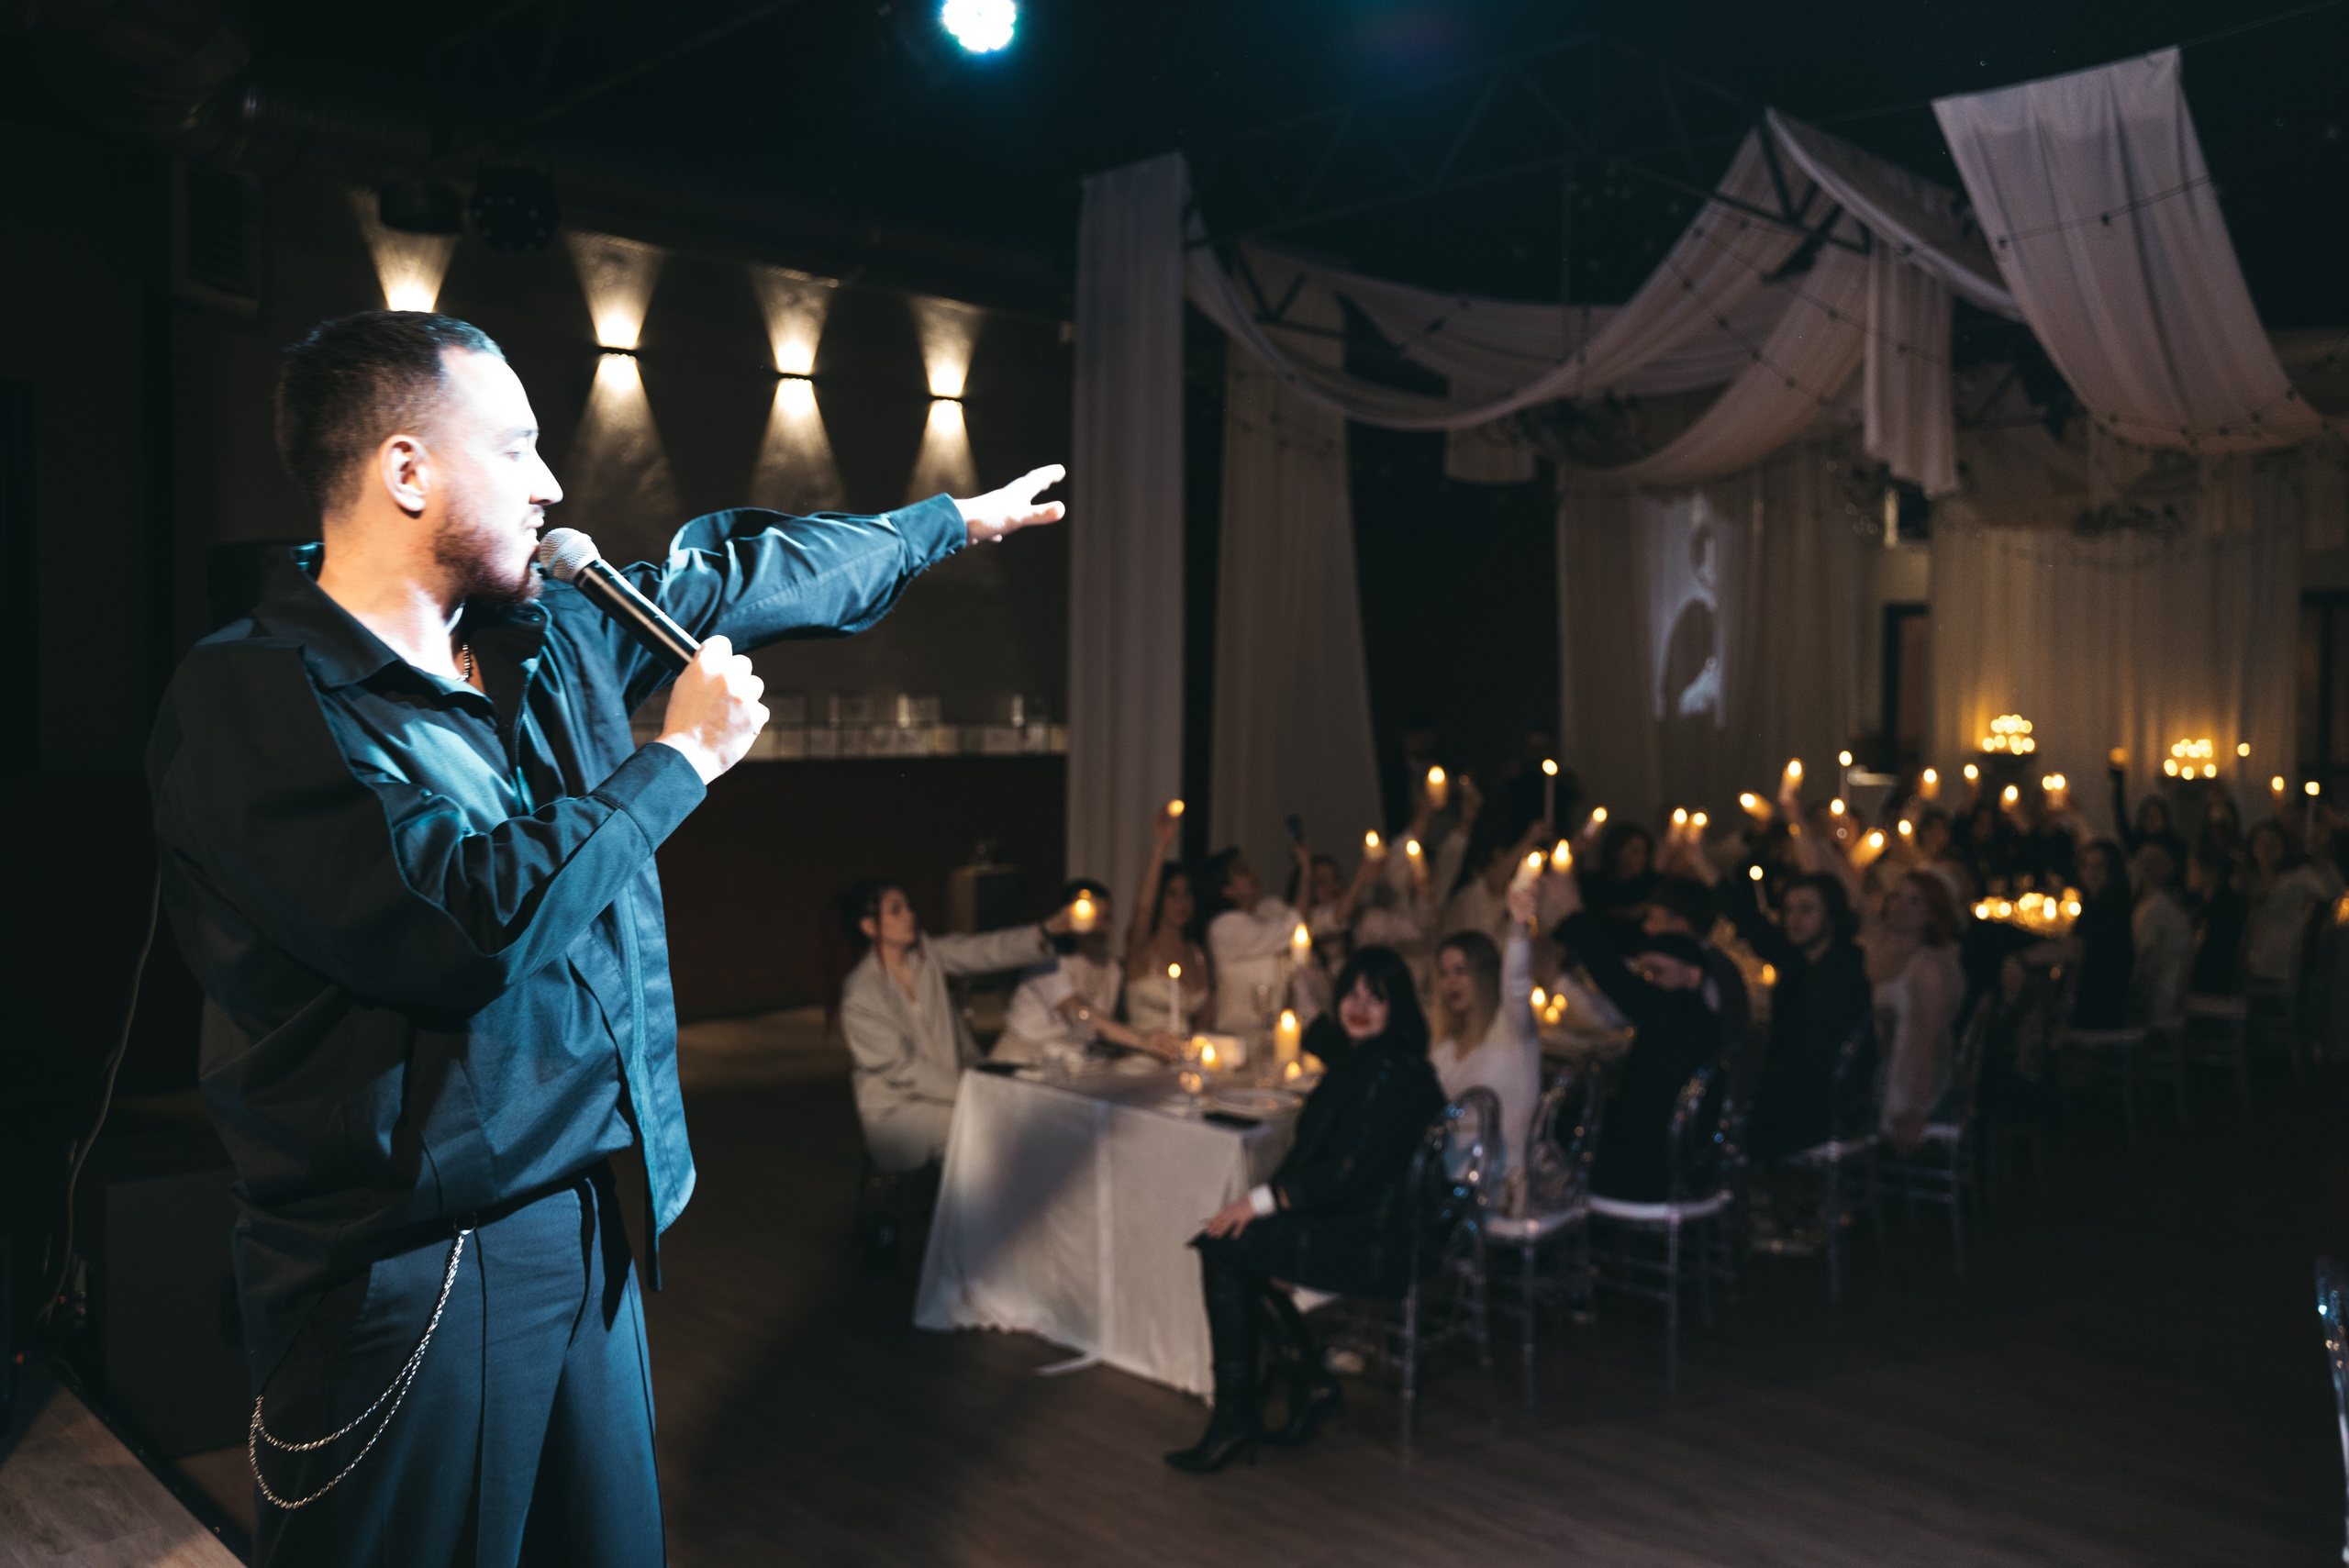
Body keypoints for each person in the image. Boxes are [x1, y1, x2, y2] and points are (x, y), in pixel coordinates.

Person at [146, 311, 1065, 1566]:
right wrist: (676, 760)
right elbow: (457, 919)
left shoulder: (546, 632)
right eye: (518, 448)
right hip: (420, 1265)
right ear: (407, 471)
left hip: (591, 1219)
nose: (552, 483)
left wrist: (944, 525)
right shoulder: (256, 699)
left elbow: (752, 572)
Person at [1165, 947, 1446, 1473]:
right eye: (1352, 995)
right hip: (1356, 1221)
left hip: (1380, 1241)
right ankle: (1306, 1385)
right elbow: (1325, 1039)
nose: (1359, 1007)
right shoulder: (1365, 1058)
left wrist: (1261, 1201)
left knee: (1226, 1246)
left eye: (1375, 998)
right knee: (1232, 1244)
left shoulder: (1397, 1074)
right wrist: (1307, 983)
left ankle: (1241, 1415)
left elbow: (1348, 1173)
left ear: (1397, 1008)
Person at [834, 882, 1079, 1170]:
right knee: (991, 1126)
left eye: (909, 907)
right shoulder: (860, 993)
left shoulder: (926, 954)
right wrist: (972, 1089)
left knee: (1019, 1115)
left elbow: (983, 949)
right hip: (899, 1112)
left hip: (949, 1093)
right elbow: (904, 1070)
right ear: (869, 927)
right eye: (896, 911)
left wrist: (1043, 931)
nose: (909, 916)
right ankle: (975, 1212)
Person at [1547, 872, 1721, 1202]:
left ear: (1692, 976)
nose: (1650, 982)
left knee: (1556, 1124)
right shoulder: (1694, 1012)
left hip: (1653, 1172)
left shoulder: (1682, 1014)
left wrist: (1573, 913)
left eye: (1659, 973)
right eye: (1646, 974)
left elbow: (1618, 983)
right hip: (1687, 1161)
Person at [1707, 861, 1873, 1159]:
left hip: (1822, 1110)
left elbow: (1813, 1066)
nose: (1794, 920)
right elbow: (1754, 927)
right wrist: (1705, 867)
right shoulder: (1805, 961)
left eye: (1807, 910)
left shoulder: (1841, 976)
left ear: (1832, 916)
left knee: (1715, 1111)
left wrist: (1749, 1082)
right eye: (1788, 910)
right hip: (1810, 1097)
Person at [995, 880, 1185, 1067]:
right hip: (1019, 1059)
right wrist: (1142, 1040)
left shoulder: (1111, 968)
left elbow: (1094, 1030)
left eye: (1106, 918)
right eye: (1091, 917)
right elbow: (1076, 1010)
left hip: (1067, 1064)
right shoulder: (1047, 959)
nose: (1099, 927)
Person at [1427, 886, 1542, 1191]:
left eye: (1461, 971)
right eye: (1444, 972)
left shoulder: (1510, 1029)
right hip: (1452, 1177)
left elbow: (1517, 984)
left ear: (1484, 974)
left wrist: (1518, 928)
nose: (1451, 982)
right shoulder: (1445, 1046)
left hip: (1505, 1181)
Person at [1870, 871, 1966, 1153]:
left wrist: (1918, 1109)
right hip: (1879, 1071)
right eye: (1896, 897)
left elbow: (1929, 1040)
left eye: (1914, 901)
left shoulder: (1930, 966)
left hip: (1907, 1084)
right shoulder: (1875, 951)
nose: (1900, 906)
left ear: (1932, 915)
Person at [1201, 845, 1308, 1033]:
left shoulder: (1270, 909)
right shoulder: (1224, 928)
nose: (1252, 873)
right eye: (1242, 871)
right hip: (1237, 1036)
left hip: (1275, 1032)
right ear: (1227, 890)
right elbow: (1295, 924)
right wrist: (1306, 870)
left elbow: (1322, 920)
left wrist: (1362, 878)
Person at [1126, 804, 1212, 1033]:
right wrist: (1161, 847)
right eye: (1172, 894)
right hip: (1143, 1057)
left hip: (1185, 1057)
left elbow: (1204, 1020)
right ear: (1159, 899)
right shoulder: (1142, 947)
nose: (1181, 902)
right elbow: (1143, 909)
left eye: (1187, 894)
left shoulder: (1196, 954)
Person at [2243, 817, 2342, 990]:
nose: (2266, 847)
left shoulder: (2296, 879)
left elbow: (2333, 892)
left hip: (2278, 969)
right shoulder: (2244, 883)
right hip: (2246, 967)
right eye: (2260, 841)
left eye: (2273, 841)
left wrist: (2322, 854)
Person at [2059, 840, 2136, 1029]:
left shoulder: (2111, 910)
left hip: (2100, 1008)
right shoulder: (2092, 905)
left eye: (2098, 866)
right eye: (2085, 865)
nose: (2090, 873)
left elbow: (2078, 950)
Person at [2130, 845, 2193, 1029]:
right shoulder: (2171, 903)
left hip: (2160, 997)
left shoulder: (2153, 909)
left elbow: (2143, 962)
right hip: (2174, 993)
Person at [2185, 843, 2248, 998]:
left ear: (2212, 872)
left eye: (2193, 867)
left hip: (2212, 985)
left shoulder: (2224, 909)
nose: (2188, 873)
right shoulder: (2208, 904)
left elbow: (2211, 955)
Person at [2108, 767, 2188, 885]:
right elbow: (2120, 816)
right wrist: (2119, 783)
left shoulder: (2176, 845)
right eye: (2148, 816)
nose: (2152, 820)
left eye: (2157, 815)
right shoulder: (2135, 842)